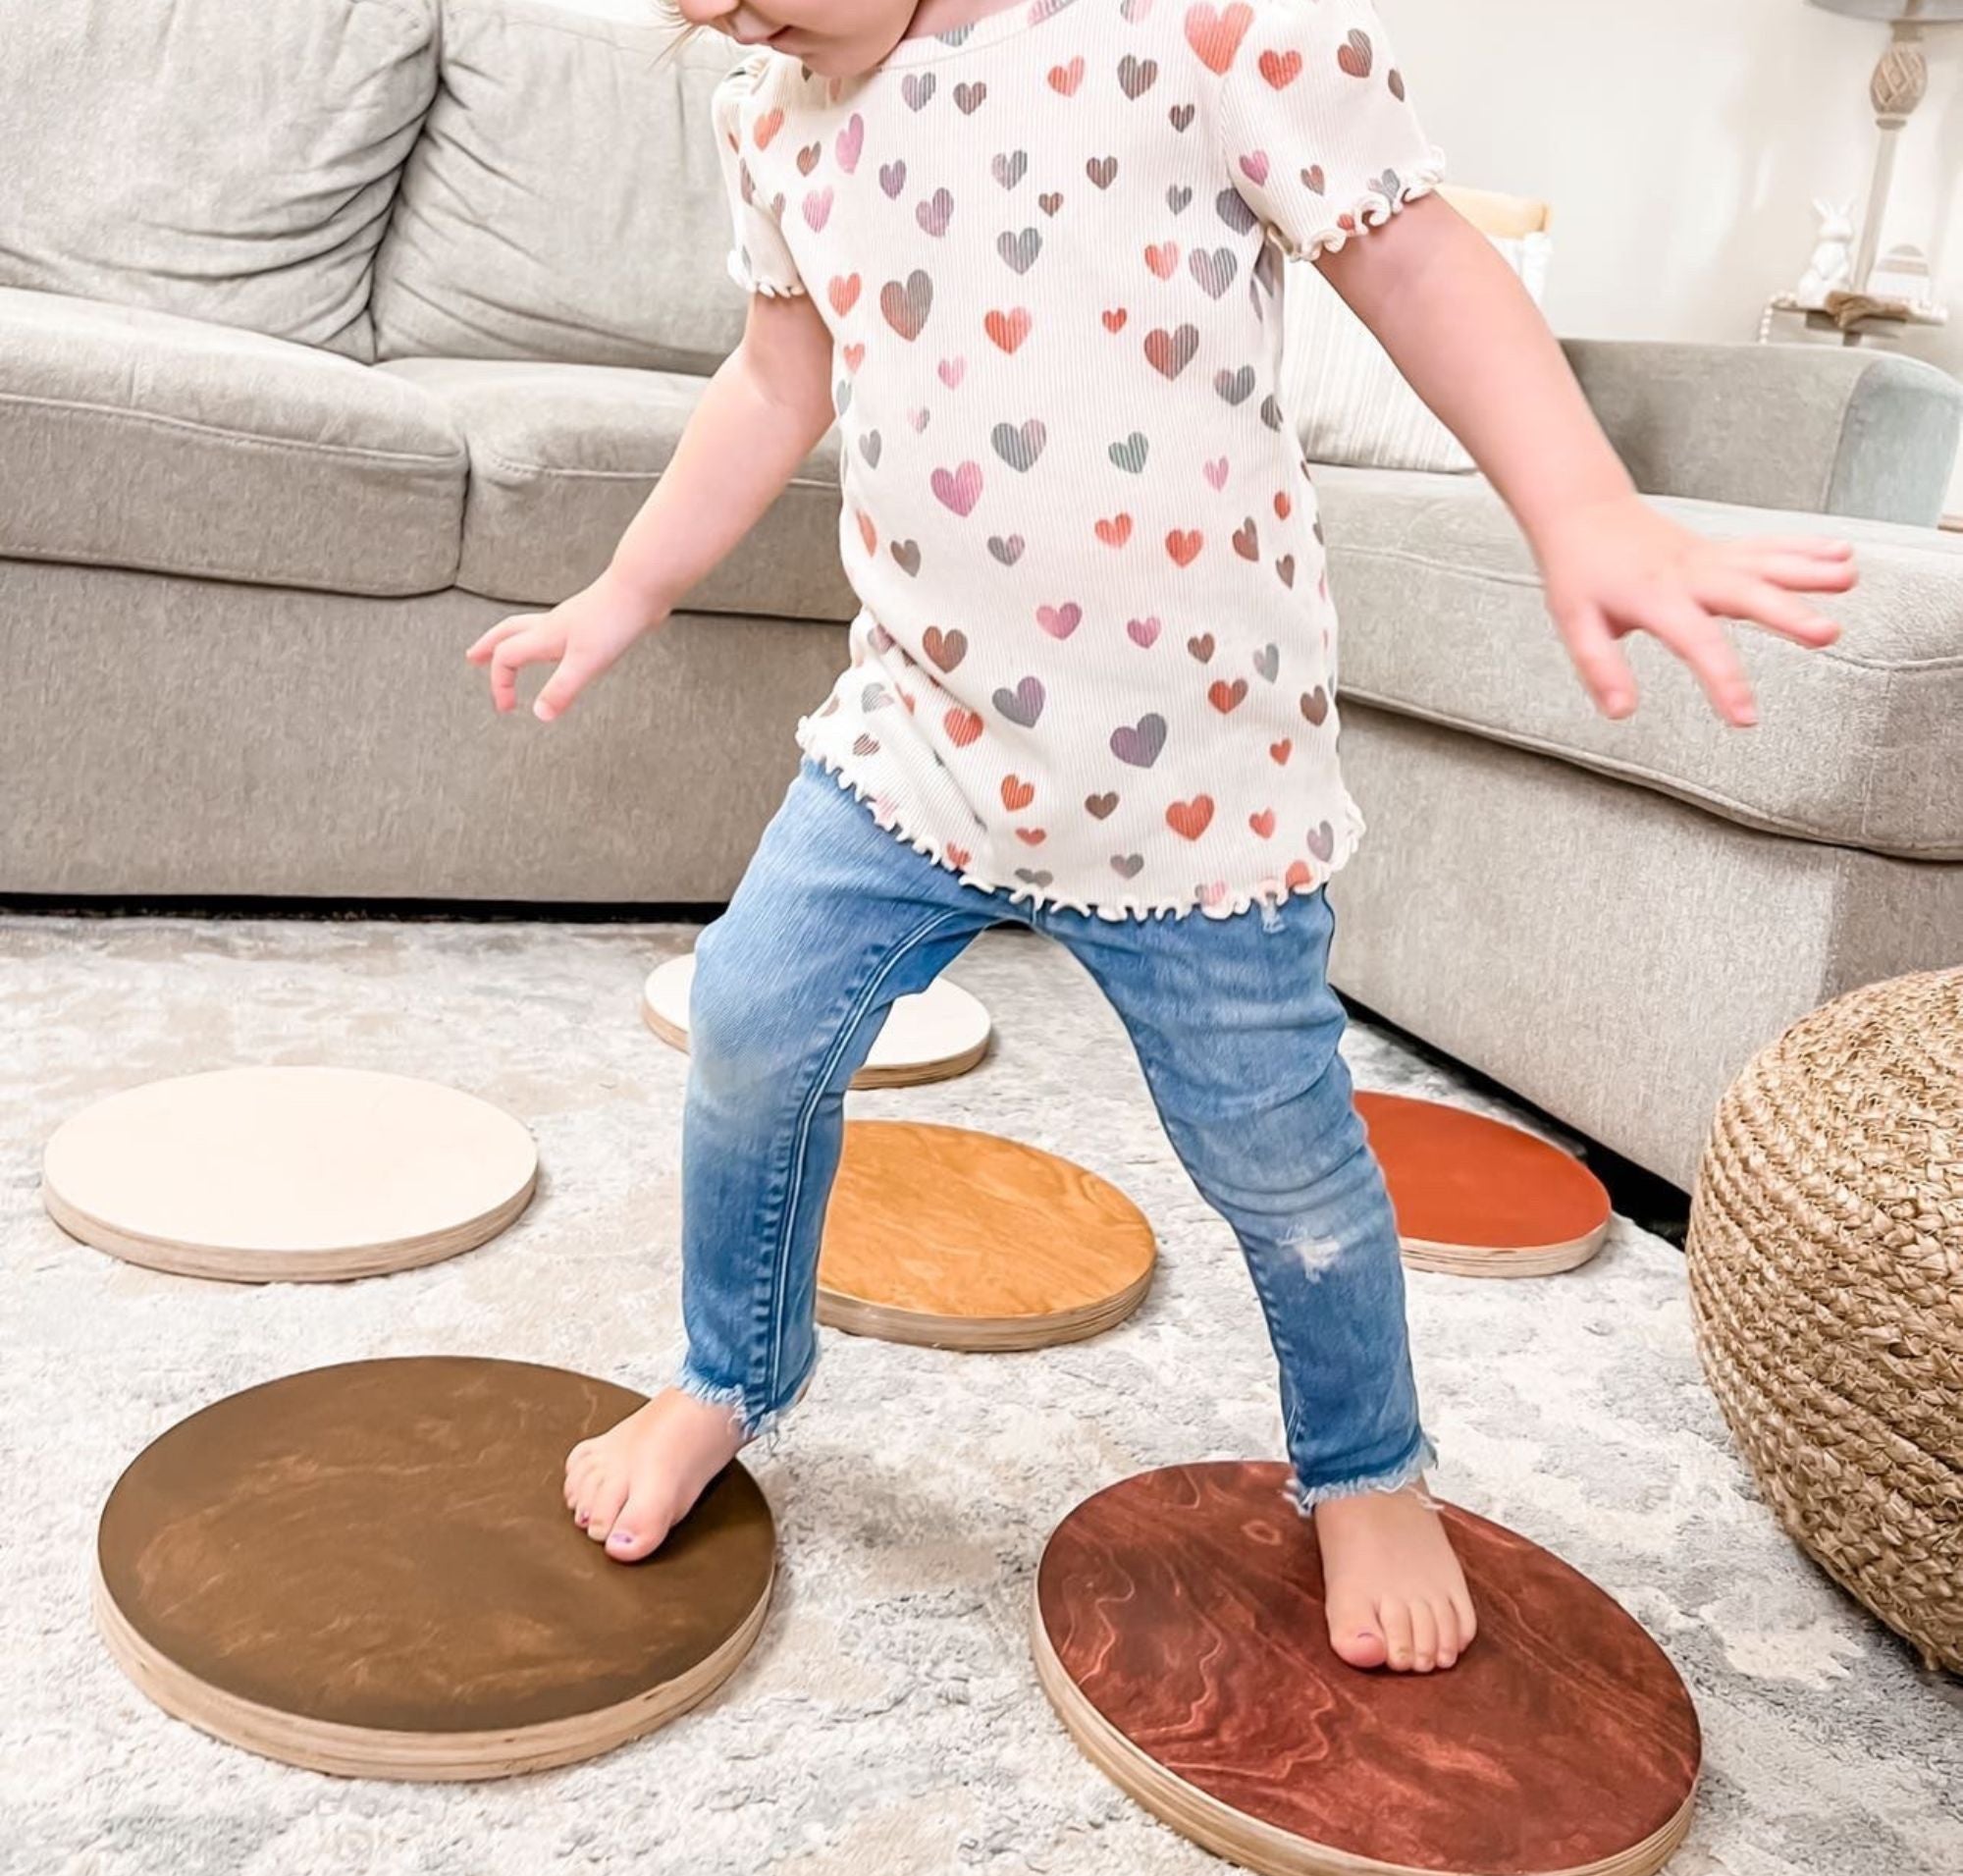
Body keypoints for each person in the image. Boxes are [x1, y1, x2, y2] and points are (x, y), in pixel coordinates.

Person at [466, 0, 1857, 1673]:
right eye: (709, 10)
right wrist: (623, 591)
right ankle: (725, 1373)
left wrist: (1585, 508)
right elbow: (778, 374)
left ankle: (1366, 1466)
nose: (746, 23)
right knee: (752, 1025)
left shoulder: (1197, 30)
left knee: (1283, 1164)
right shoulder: (777, 116)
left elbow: (1416, 258)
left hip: (1197, 791)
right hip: (920, 745)